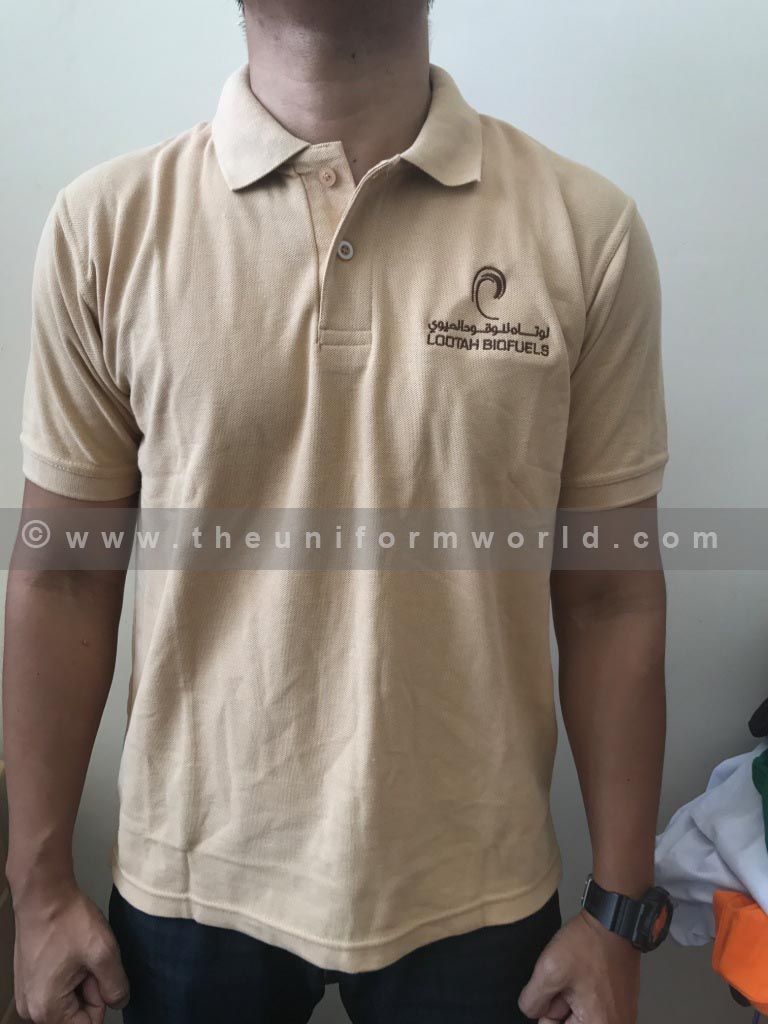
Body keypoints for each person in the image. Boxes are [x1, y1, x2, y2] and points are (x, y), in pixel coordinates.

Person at [3, 1, 672, 1021]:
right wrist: (38, 890)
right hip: (187, 885)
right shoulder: (107, 225)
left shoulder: (587, 230)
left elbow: (612, 597)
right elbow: (61, 578)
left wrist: (619, 915)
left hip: (478, 892)